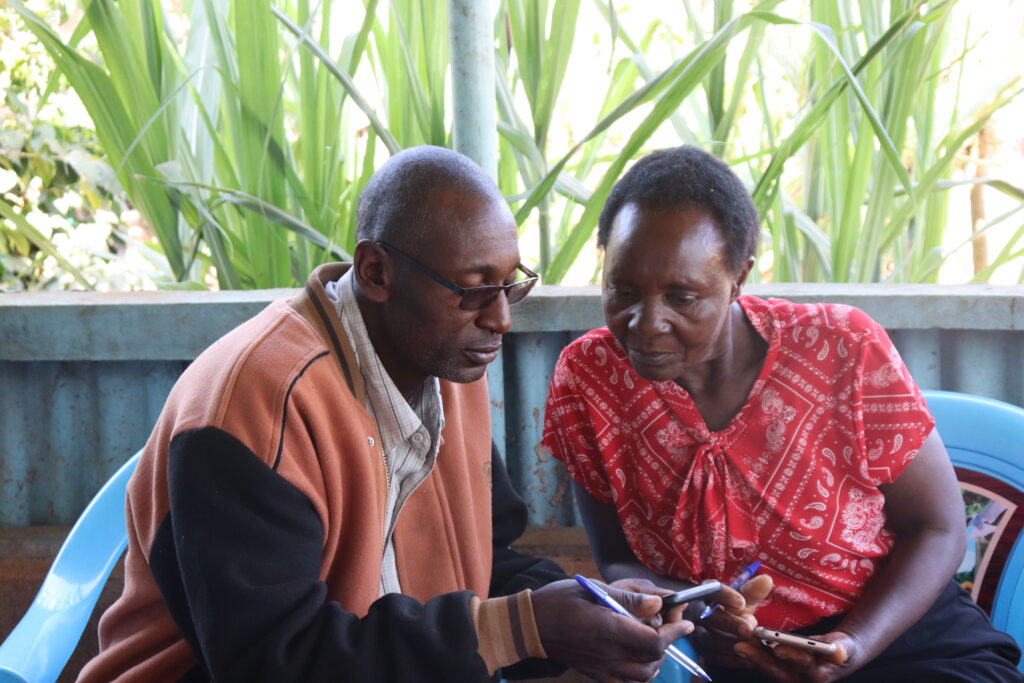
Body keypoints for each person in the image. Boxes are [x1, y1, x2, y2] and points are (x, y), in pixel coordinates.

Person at [77, 146, 700, 683]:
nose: (500, 317)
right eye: (473, 287)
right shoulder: (257, 407)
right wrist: (525, 628)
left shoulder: (447, 364)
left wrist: (602, 610)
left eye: (511, 284)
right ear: (376, 272)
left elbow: (487, 565)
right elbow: (272, 663)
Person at [541, 145, 1023, 682]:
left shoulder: (841, 346)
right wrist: (699, 611)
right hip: (730, 657)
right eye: (622, 291)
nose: (646, 323)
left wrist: (852, 645)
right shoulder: (588, 378)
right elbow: (619, 560)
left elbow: (937, 528)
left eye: (682, 297)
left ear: (739, 277)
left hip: (897, 641)